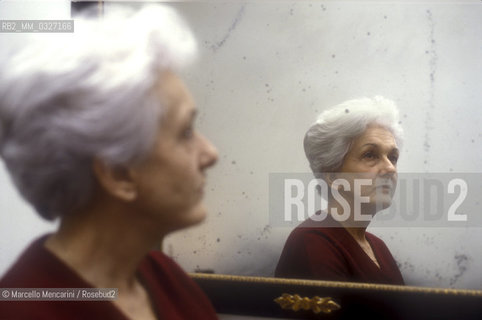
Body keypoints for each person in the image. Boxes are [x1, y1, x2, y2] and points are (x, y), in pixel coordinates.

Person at [0, 5, 219, 320]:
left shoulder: (165, 277)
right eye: (185, 132)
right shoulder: (25, 311)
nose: (210, 153)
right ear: (118, 174)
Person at [275, 97, 405, 285]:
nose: (390, 168)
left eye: (392, 157)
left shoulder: (378, 247)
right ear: (332, 176)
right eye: (370, 155)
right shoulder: (312, 242)